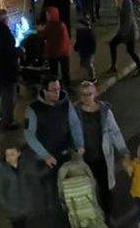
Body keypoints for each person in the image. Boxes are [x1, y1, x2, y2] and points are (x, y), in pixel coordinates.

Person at [25, 77, 84, 221]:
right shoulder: (32, 110)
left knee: (71, 192)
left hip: (66, 155)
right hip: (47, 161)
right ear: (44, 91)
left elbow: (75, 124)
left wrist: (79, 144)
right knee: (52, 198)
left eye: (58, 89)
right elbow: (29, 136)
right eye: (53, 90)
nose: (57, 93)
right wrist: (45, 155)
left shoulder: (66, 104)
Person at [75, 80, 131, 223]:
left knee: (105, 189)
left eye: (89, 94)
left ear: (95, 94)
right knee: (88, 191)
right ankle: (92, 218)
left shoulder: (105, 111)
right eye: (83, 94)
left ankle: (107, 216)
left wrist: (124, 152)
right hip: (84, 159)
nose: (86, 97)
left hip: (102, 158)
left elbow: (115, 132)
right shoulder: (74, 112)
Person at [0, 147, 44, 228]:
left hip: (27, 207)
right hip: (14, 210)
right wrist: (8, 205)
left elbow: (35, 178)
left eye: (12, 154)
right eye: (7, 155)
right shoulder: (3, 172)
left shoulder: (26, 166)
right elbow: (0, 191)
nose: (10, 158)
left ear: (19, 154)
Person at [0, 9, 20, 130]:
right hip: (7, 67)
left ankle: (5, 118)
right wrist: (19, 51)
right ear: (5, 19)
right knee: (9, 96)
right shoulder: (3, 31)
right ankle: (8, 121)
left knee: (5, 94)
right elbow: (8, 50)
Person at [106, 0, 140, 75]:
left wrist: (121, 33)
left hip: (128, 32)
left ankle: (114, 67)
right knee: (129, 50)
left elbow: (127, 20)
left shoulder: (126, 3)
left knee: (117, 46)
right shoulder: (123, 0)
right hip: (127, 31)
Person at [42, 6, 72, 90]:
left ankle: (65, 86)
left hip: (59, 52)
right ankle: (60, 85)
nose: (47, 16)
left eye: (48, 14)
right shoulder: (51, 25)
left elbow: (59, 41)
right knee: (57, 71)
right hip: (57, 52)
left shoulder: (58, 26)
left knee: (63, 71)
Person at [74, 17, 97, 83]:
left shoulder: (89, 32)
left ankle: (92, 77)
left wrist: (92, 52)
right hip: (82, 50)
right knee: (83, 64)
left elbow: (93, 43)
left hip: (88, 51)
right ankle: (86, 77)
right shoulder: (79, 31)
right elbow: (78, 40)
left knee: (89, 64)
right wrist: (76, 46)